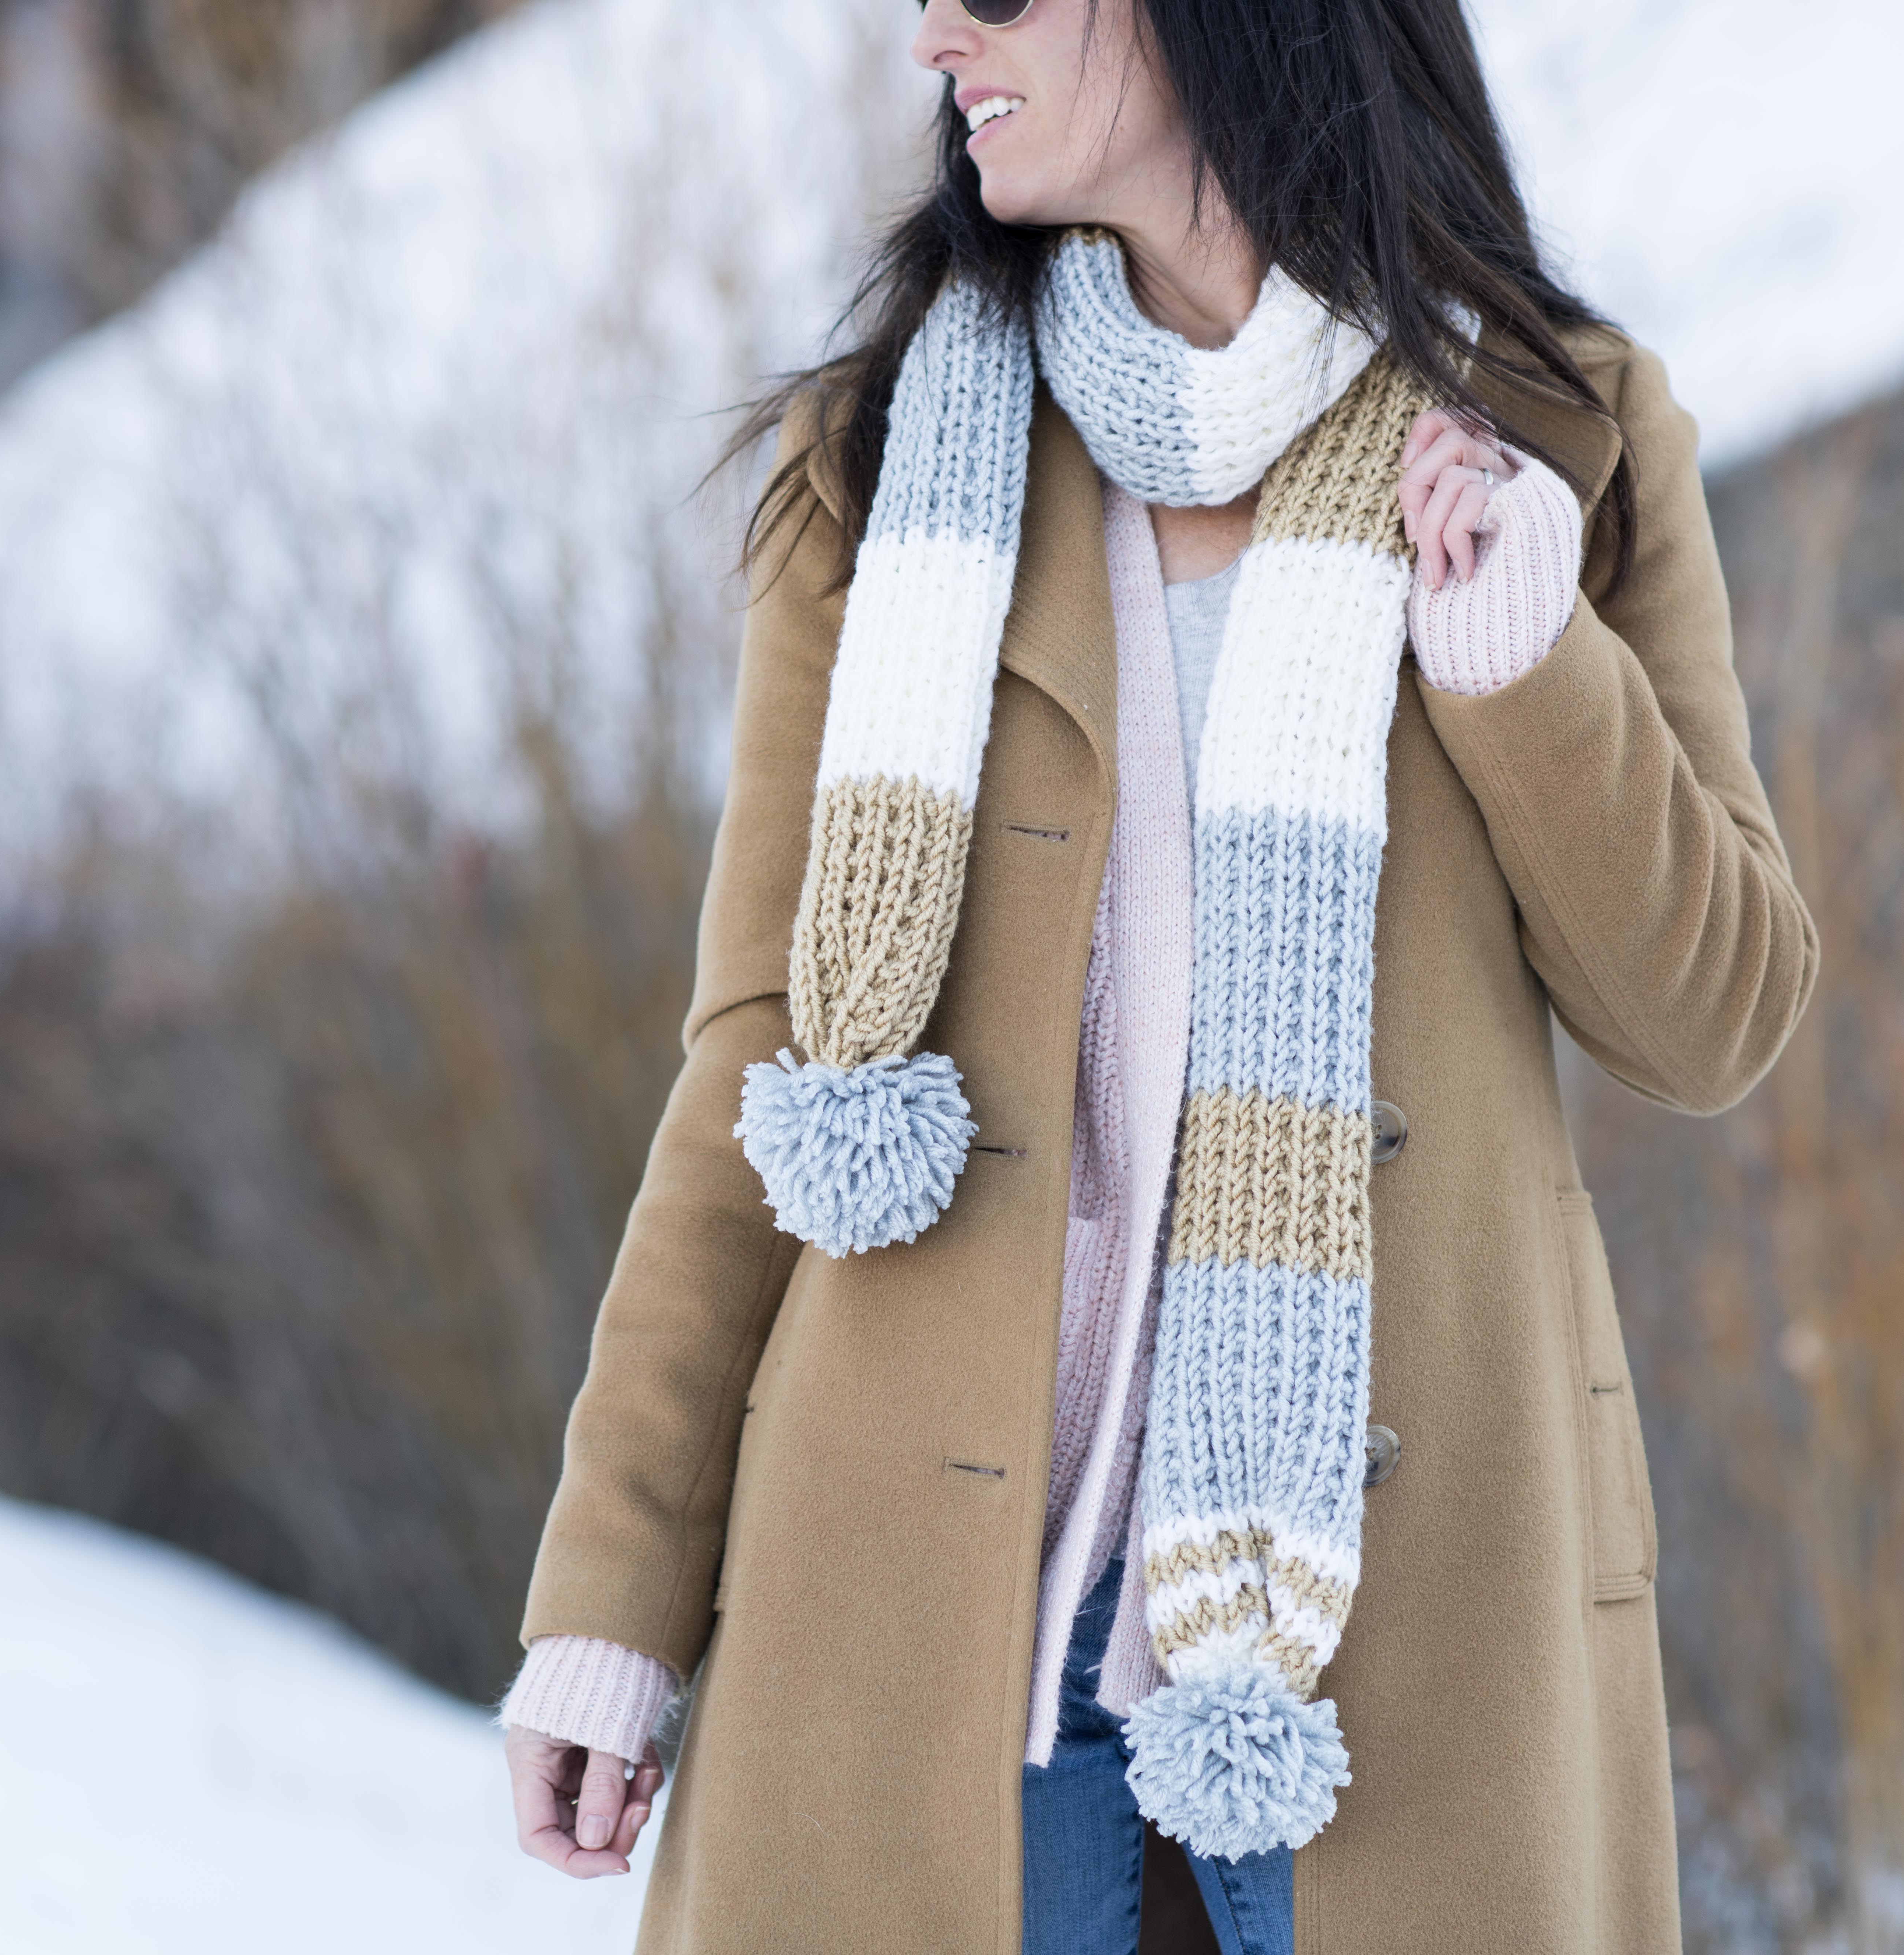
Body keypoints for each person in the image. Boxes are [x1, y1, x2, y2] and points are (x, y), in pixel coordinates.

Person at [497, 0, 1817, 1948]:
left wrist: (1520, 656)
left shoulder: (1550, 428)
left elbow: (1707, 1019)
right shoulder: (874, 463)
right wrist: (606, 1603)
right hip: (921, 1631)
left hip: (1398, 1639)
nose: (938, 29)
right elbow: (756, 1064)